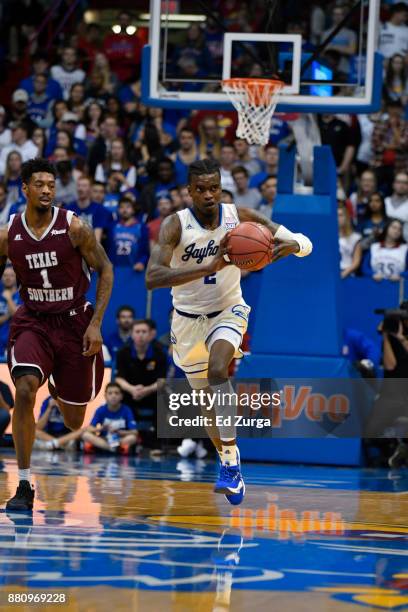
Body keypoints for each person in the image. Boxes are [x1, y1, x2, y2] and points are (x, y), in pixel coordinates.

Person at [145, 158, 312, 505]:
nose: (209, 195)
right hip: (187, 320)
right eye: (201, 189)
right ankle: (226, 459)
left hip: (229, 310)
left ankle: (232, 463)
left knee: (219, 368)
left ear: (221, 188)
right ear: (189, 191)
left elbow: (301, 241)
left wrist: (291, 247)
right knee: (206, 403)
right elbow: (152, 278)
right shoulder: (175, 226)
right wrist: (207, 267)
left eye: (214, 188)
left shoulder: (241, 217)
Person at [1, 158, 113, 510]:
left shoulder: (75, 228)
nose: (47, 189)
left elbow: (106, 269)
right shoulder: (8, 234)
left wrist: (96, 324)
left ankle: (57, 383)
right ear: (25, 189)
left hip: (75, 322)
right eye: (39, 184)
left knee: (73, 419)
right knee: (23, 390)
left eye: (51, 184)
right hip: (33, 321)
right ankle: (23, 484)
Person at [115, 319, 167, 455]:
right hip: (130, 393)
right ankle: (128, 441)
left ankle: (156, 444)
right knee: (118, 398)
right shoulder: (123, 352)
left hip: (151, 392)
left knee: (163, 400)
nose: (140, 335)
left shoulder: (159, 353)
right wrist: (132, 389)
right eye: (137, 332)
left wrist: (147, 390)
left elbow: (163, 381)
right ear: (132, 334)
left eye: (144, 332)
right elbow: (119, 378)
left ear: (151, 335)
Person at [82, 382, 138, 455]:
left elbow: (135, 432)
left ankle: (110, 448)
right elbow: (89, 428)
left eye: (116, 393)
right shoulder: (101, 410)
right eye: (110, 393)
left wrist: (120, 432)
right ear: (105, 396)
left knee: (132, 438)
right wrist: (101, 428)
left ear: (121, 396)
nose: (113, 396)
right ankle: (113, 449)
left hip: (119, 439)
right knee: (85, 435)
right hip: (104, 439)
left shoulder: (127, 410)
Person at [65, 176, 113, 243]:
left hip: (91, 249)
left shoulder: (100, 210)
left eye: (84, 186)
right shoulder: (68, 209)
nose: (80, 189)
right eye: (79, 186)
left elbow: (97, 241)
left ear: (90, 189)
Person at [109, 196, 149, 271]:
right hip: (115, 269)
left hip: (135, 269)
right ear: (118, 210)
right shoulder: (112, 226)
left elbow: (145, 249)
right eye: (121, 207)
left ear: (133, 210)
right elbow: (108, 248)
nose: (124, 210)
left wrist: (142, 262)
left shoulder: (141, 227)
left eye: (128, 207)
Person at [0, 266, 21, 357]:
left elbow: (18, 315)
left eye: (11, 275)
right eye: (5, 275)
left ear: (16, 277)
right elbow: (14, 312)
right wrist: (10, 313)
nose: (8, 278)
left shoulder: (22, 296)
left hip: (16, 344)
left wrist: (8, 299)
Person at [338, 203, 362, 278]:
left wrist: (344, 273)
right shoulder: (327, 236)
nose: (337, 218)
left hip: (348, 273)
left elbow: (356, 262)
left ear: (346, 217)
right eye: (335, 215)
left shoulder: (355, 237)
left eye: (341, 215)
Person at [385, 172, 408, 239]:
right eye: (399, 182)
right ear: (393, 184)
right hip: (383, 245)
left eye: (405, 183)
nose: (401, 185)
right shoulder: (384, 202)